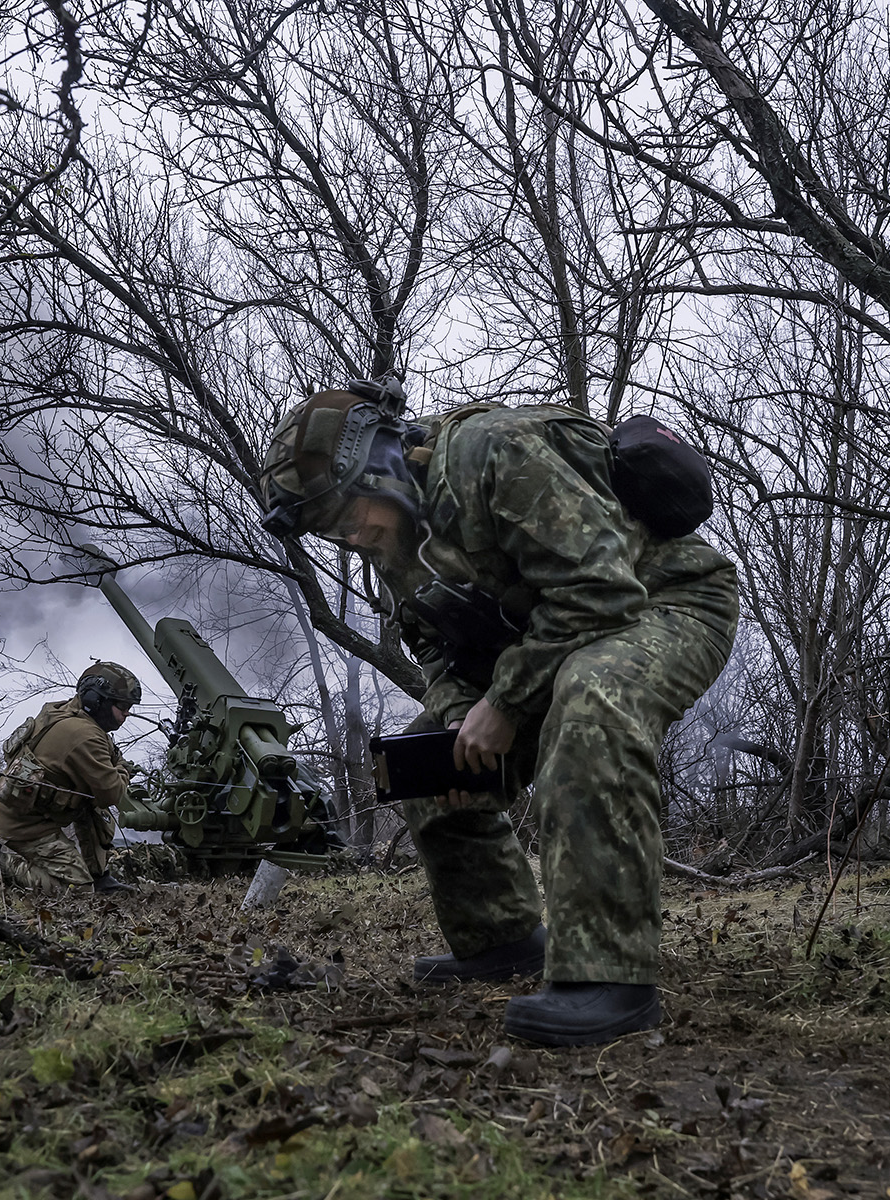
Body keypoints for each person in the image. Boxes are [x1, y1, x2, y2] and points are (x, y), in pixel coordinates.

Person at [258, 378, 738, 1047]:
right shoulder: (395, 542)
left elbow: (601, 594)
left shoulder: (491, 452)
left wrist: (507, 704)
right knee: (430, 754)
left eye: (346, 511)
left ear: (377, 466)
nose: (350, 534)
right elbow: (438, 651)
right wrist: (464, 720)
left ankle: (612, 979)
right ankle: (503, 940)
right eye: (330, 529)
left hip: (666, 601)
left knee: (591, 699)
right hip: (558, 636)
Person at [0, 663, 143, 895]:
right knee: (77, 890)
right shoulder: (85, 735)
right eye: (122, 706)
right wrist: (123, 770)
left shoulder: (63, 710)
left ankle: (99, 876)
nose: (127, 713)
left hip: (23, 804)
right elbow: (112, 793)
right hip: (23, 822)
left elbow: (103, 757)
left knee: (92, 803)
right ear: (96, 700)